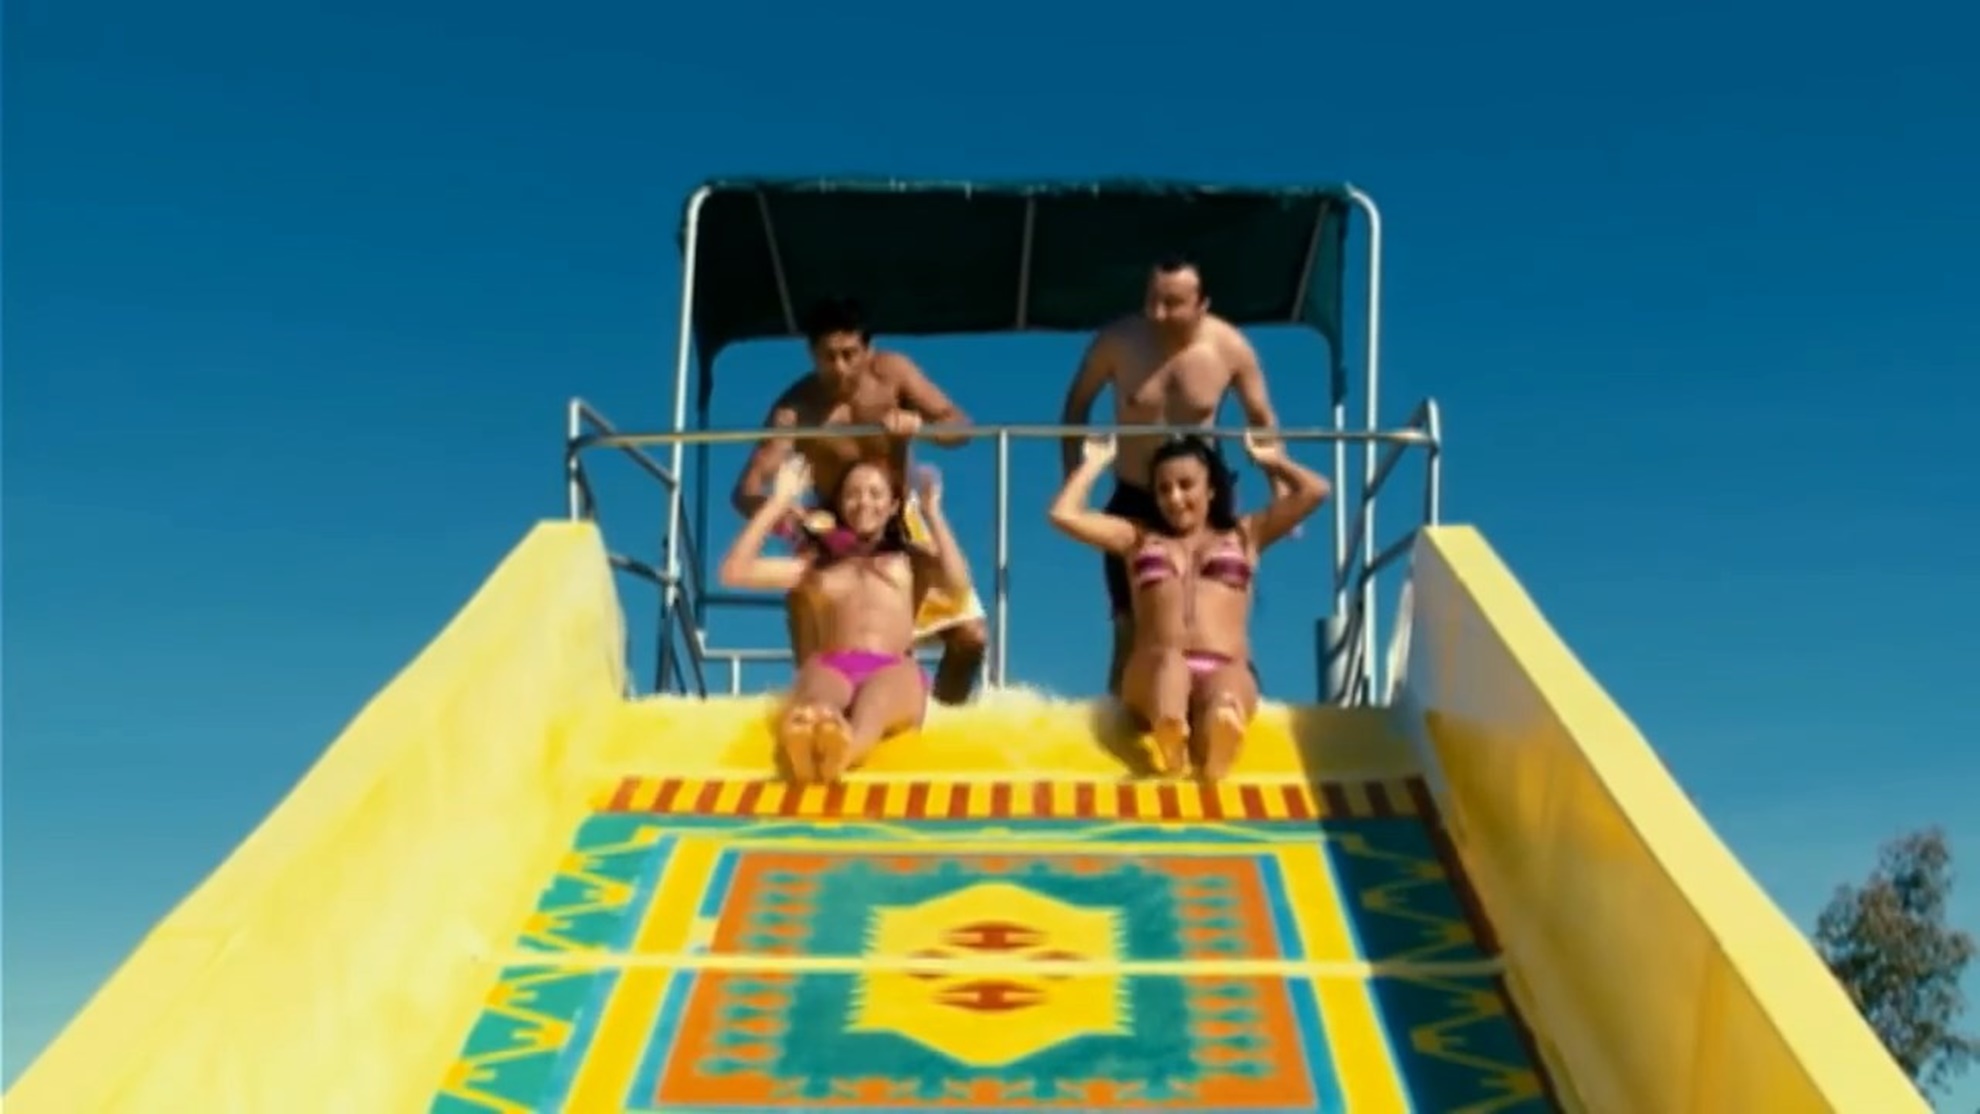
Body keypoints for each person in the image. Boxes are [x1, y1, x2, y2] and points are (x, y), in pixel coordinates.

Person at [731, 296, 988, 706]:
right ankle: (817, 707)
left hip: (898, 516)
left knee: (971, 636)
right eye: (828, 357)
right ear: (812, 355)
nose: (840, 367)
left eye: (849, 354)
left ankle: (940, 719)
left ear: (868, 349)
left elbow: (960, 426)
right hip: (832, 526)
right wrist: (789, 519)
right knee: (810, 601)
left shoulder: (893, 374)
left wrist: (920, 427)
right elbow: (745, 491)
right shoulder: (796, 410)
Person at [1059, 255, 1287, 696]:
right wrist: (1075, 476)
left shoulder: (1230, 348)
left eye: (1172, 303)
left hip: (1203, 497)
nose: (1157, 314)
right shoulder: (1117, 342)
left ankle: (1225, 705)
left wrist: (1277, 484)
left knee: (1216, 611)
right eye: (1152, 300)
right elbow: (1076, 405)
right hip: (1135, 497)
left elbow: (1261, 416)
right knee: (1129, 624)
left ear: (1202, 305)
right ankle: (1125, 718)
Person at [1048, 431, 1329, 781]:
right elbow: (1063, 514)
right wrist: (1095, 463)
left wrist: (1271, 461)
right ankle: (1171, 730)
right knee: (1170, 668)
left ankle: (1217, 739)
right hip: (1154, 667)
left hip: (1225, 663)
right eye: (1163, 489)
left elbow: (1316, 490)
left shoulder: (1245, 534)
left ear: (1211, 489)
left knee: (1227, 687)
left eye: (1185, 485)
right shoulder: (1137, 537)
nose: (1175, 498)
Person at [719, 455, 971, 783]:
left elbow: (957, 583)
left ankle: (842, 752)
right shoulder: (815, 566)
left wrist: (932, 512)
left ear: (894, 506)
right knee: (818, 702)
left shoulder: (909, 559)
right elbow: (734, 572)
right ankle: (811, 739)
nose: (863, 502)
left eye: (875, 494)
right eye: (852, 494)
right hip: (833, 664)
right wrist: (777, 502)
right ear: (839, 504)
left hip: (893, 667)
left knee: (875, 704)